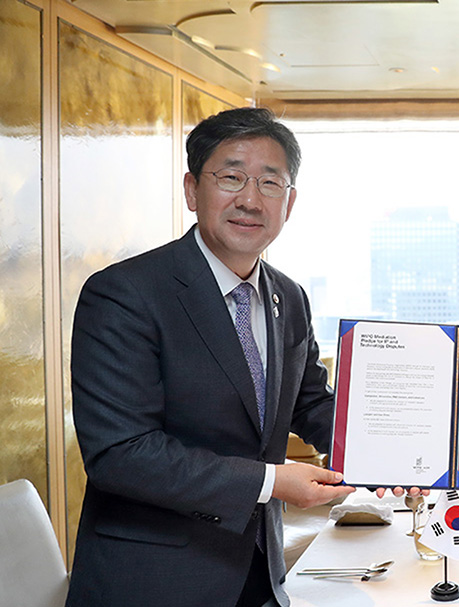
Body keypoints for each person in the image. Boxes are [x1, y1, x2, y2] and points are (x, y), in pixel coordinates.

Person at [66, 107, 414, 607]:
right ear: (192, 190)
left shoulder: (287, 297)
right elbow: (121, 456)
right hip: (152, 581)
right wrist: (273, 481)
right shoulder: (124, 294)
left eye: (270, 184)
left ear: (289, 203)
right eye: (231, 177)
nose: (250, 199)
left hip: (258, 573)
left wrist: (392, 452)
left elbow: (310, 404)